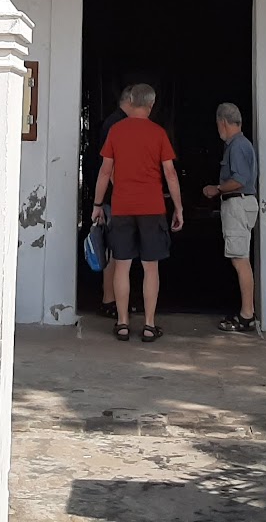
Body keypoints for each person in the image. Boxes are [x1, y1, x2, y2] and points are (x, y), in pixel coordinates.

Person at [91, 83, 183, 342]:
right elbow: (171, 174)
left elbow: (105, 171)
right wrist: (178, 207)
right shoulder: (158, 133)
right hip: (152, 207)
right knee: (150, 268)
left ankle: (122, 323)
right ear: (152, 105)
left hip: (121, 206)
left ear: (131, 100)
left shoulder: (116, 131)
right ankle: (149, 325)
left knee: (122, 265)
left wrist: (97, 205)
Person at [203, 102, 259, 333]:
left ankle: (247, 315)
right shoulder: (242, 144)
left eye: (218, 124)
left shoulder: (236, 146)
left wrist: (216, 188)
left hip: (237, 203)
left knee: (240, 260)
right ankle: (247, 312)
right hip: (242, 204)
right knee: (240, 257)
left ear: (222, 122)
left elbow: (239, 179)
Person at [93, 86, 134, 319]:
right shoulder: (116, 124)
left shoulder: (113, 122)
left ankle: (112, 300)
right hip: (114, 198)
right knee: (115, 251)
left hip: (111, 197)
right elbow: (111, 166)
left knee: (116, 251)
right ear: (129, 100)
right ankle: (110, 300)